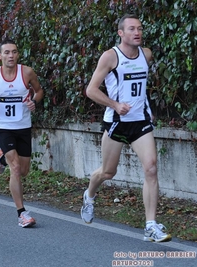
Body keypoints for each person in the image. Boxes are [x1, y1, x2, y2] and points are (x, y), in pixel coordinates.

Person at [80, 14, 171, 242]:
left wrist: (145, 106)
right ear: (121, 33)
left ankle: (150, 225)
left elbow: (139, 86)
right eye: (131, 29)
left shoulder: (145, 54)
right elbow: (91, 90)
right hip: (117, 122)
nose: (137, 32)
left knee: (150, 168)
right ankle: (90, 194)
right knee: (108, 172)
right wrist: (115, 104)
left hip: (140, 122)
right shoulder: (110, 57)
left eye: (139, 28)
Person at [0, 38, 44, 228]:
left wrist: (34, 102)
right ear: (0, 56)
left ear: (18, 54)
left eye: (14, 52)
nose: (11, 56)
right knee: (15, 168)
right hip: (2, 125)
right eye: (6, 52)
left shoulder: (27, 72)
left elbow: (39, 91)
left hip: (23, 125)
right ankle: (22, 213)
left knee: (23, 170)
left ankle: (2, 158)